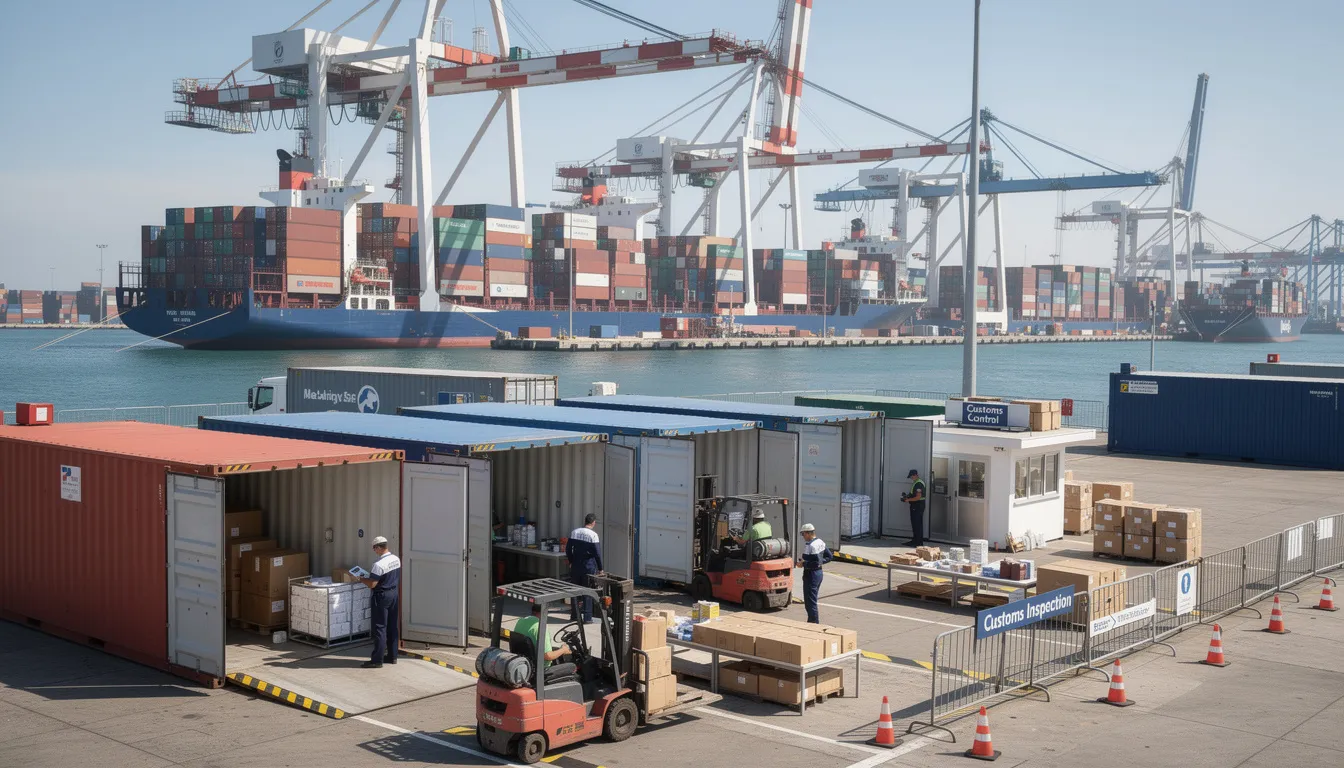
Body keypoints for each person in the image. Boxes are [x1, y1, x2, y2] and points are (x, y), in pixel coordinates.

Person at [359, 536, 401, 669]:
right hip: (394, 594)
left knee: (380, 628)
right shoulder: (396, 559)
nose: (374, 550)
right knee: (392, 626)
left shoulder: (378, 565)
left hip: (381, 596)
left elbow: (372, 584)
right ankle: (393, 656)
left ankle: (377, 660)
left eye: (374, 548)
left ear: (378, 547)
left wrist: (361, 579)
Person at [566, 513, 603, 624]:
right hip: (589, 566)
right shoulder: (593, 535)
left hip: (576, 565)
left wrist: (571, 561)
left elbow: (568, 549)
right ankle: (587, 617)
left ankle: (574, 615)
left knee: (574, 591)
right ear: (593, 523)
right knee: (587, 591)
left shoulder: (575, 532)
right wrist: (600, 568)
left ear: (585, 521)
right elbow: (597, 554)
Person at [797, 523, 833, 624]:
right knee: (812, 600)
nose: (803, 537)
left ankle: (813, 623)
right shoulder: (820, 542)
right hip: (818, 573)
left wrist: (804, 564)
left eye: (803, 534)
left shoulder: (811, 545)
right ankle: (812, 621)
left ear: (808, 533)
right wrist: (819, 563)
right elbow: (829, 557)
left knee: (810, 602)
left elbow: (815, 563)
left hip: (811, 575)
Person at [901, 469, 927, 547]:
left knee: (917, 524)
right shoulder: (916, 482)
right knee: (915, 524)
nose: (911, 478)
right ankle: (915, 540)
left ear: (915, 475)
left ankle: (918, 543)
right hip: (916, 506)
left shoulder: (918, 484)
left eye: (912, 476)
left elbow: (918, 497)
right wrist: (907, 496)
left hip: (918, 506)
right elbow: (913, 494)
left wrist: (908, 500)